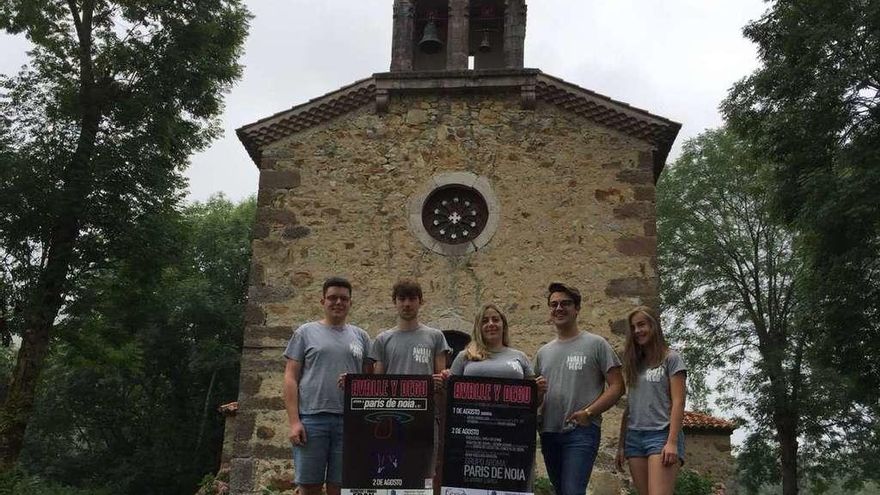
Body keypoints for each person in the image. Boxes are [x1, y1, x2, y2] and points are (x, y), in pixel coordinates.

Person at [283, 277, 372, 495]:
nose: (338, 302)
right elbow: (290, 377)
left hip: (349, 422)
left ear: (350, 303)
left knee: (340, 487)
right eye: (332, 297)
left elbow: (370, 381)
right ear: (322, 301)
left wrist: (356, 382)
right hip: (312, 419)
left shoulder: (361, 336)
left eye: (344, 298)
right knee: (309, 486)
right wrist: (294, 422)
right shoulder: (305, 332)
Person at [533, 282, 625, 495]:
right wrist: (537, 394)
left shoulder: (596, 344)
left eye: (565, 303)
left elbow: (618, 386)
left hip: (581, 432)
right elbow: (534, 400)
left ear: (577, 309)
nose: (559, 308)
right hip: (549, 432)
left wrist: (589, 413)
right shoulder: (542, 353)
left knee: (573, 491)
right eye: (554, 304)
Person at [368, 278, 450, 493]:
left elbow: (440, 378)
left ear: (421, 302)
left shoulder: (435, 337)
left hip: (425, 416)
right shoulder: (383, 339)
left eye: (412, 299)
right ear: (394, 302)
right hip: (393, 416)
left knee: (424, 472)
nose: (407, 304)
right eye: (402, 299)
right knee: (392, 469)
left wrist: (440, 380)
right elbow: (378, 383)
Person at [615, 306, 687, 495]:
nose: (637, 330)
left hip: (661, 436)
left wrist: (671, 442)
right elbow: (629, 407)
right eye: (633, 327)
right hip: (635, 437)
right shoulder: (634, 364)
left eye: (642, 325)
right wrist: (621, 444)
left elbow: (679, 402)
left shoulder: (672, 359)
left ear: (654, 326)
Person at [447, 303, 535, 380]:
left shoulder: (521, 357)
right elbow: (449, 392)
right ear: (479, 328)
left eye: (495, 320)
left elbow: (534, 395)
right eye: (484, 321)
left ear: (503, 325)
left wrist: (539, 390)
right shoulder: (464, 356)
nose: (491, 324)